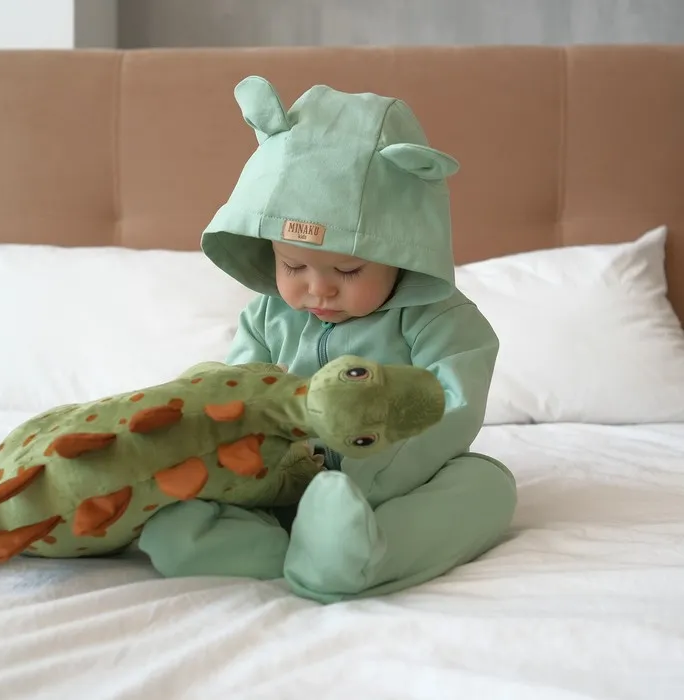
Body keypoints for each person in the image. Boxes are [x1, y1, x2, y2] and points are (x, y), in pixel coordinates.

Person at [138, 76, 517, 603]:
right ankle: (269, 548)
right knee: (180, 512)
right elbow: (238, 398)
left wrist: (367, 477)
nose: (318, 289)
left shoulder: (442, 322)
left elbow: (447, 412)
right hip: (281, 479)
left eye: (348, 269)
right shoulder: (267, 316)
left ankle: (363, 553)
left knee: (487, 485)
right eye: (293, 266)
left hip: (395, 488)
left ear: (402, 250)